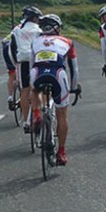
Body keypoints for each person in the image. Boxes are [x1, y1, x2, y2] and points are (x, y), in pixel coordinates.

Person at [29, 14, 80, 166]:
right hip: (57, 74)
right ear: (57, 28)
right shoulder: (67, 42)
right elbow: (74, 69)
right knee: (62, 114)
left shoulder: (35, 42)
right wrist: (74, 87)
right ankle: (61, 152)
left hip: (37, 72)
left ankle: (37, 114)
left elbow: (32, 64)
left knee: (35, 91)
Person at [8, 6, 43, 133]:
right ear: (34, 18)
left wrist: (15, 64)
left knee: (25, 90)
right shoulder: (39, 30)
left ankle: (26, 122)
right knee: (37, 89)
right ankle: (38, 114)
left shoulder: (17, 30)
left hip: (22, 61)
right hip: (37, 61)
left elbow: (11, 50)